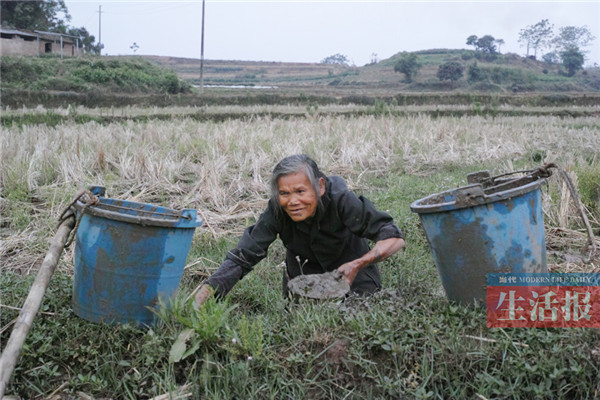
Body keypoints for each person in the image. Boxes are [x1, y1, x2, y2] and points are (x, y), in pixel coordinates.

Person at [195, 154, 405, 306]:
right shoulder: (277, 209)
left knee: (356, 318)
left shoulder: (342, 200)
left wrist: (357, 264)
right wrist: (206, 292)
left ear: (320, 187)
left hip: (353, 278)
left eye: (300, 191)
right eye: (284, 193)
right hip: (304, 283)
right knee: (301, 326)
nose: (293, 201)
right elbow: (244, 255)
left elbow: (394, 238)